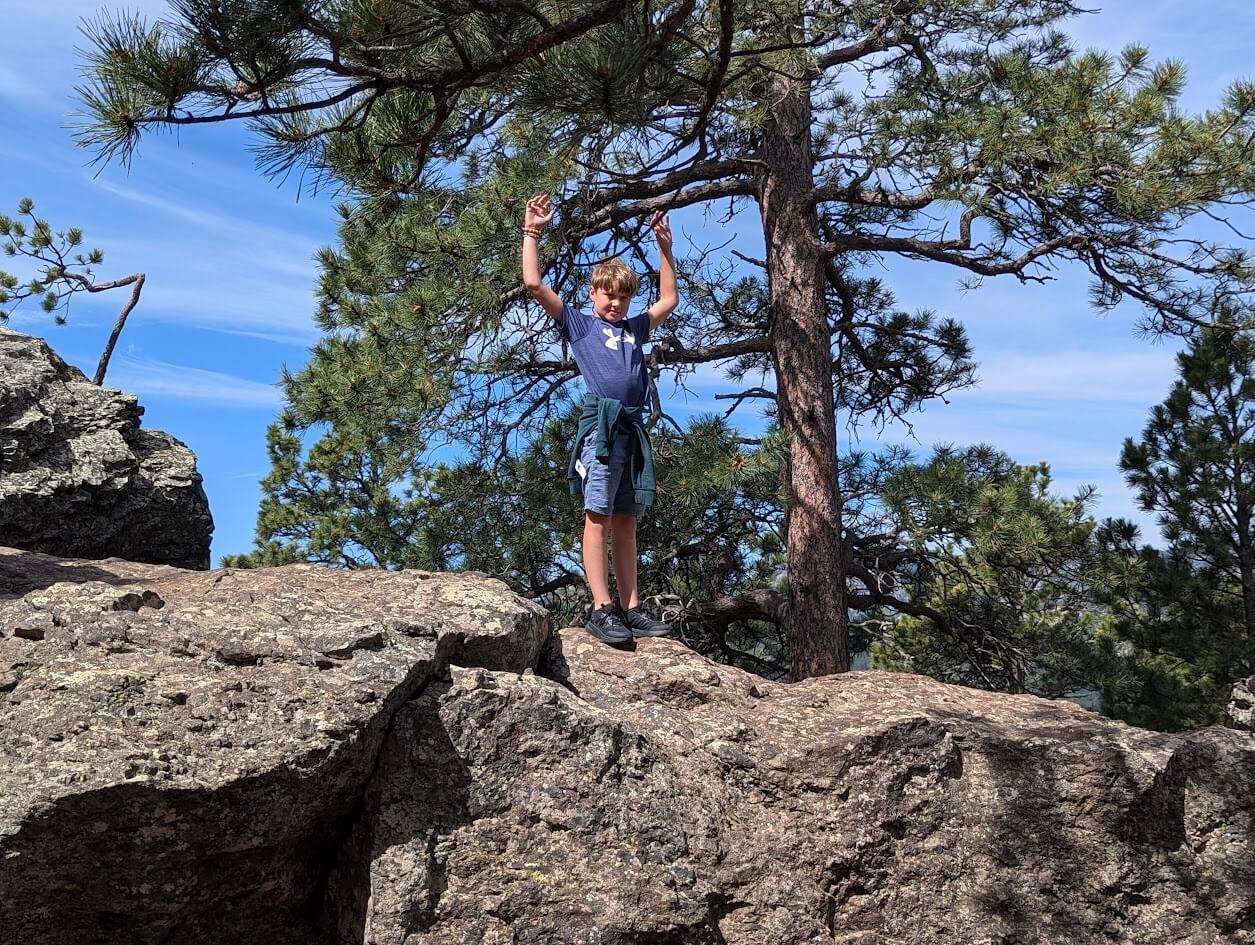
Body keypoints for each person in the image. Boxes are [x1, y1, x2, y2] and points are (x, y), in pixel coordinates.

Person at [521, 193, 677, 646]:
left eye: (624, 296)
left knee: (627, 518)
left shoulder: (634, 329)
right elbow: (534, 285)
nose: (616, 303)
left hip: (631, 429)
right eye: (609, 294)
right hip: (602, 432)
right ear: (593, 294)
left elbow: (668, 298)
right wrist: (532, 232)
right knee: (598, 515)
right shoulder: (580, 324)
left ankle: (631, 608)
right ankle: (600, 606)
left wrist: (665, 249)